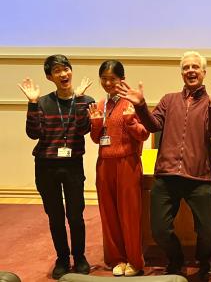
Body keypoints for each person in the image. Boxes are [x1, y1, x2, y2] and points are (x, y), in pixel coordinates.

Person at [117, 51, 211, 280]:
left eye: (195, 67)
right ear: (181, 73)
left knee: (208, 230)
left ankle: (203, 261)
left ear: (203, 73)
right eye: (186, 67)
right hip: (167, 175)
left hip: (198, 177)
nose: (190, 71)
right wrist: (141, 107)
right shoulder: (169, 100)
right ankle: (176, 259)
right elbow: (152, 125)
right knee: (159, 229)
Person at [18, 54, 94, 280]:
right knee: (55, 215)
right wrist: (32, 103)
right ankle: (62, 257)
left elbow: (83, 130)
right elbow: (33, 133)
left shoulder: (85, 100)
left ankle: (79, 257)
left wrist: (79, 101)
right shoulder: (42, 102)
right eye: (58, 71)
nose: (64, 74)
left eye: (66, 69)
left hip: (72, 165)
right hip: (46, 166)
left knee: (75, 214)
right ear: (50, 77)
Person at [88, 60, 149, 277]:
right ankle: (117, 258)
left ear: (121, 79)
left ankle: (134, 259)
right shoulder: (101, 104)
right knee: (109, 213)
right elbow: (97, 139)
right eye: (103, 78)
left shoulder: (131, 102)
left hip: (127, 163)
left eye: (112, 78)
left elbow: (144, 134)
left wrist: (131, 120)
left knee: (129, 214)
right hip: (104, 164)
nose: (107, 82)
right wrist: (95, 123)